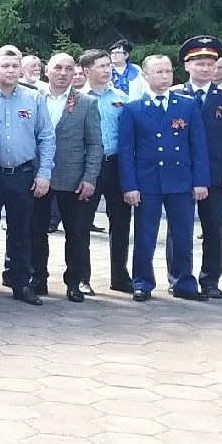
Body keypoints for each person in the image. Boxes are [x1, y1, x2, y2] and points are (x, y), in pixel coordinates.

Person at [117, 55, 209, 301]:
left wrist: (200, 180)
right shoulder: (133, 108)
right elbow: (126, 151)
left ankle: (183, 283)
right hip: (148, 181)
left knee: (182, 234)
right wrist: (130, 185)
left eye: (168, 71)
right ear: (145, 76)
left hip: (180, 179)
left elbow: (198, 145)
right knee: (145, 235)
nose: (165, 76)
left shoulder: (187, 105)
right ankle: (142, 283)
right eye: (158, 72)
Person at [0, 45, 56, 306]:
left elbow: (46, 136)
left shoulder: (33, 98)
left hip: (23, 174)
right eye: (5, 66)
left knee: (22, 232)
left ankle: (21, 283)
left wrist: (44, 173)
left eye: (15, 66)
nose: (11, 71)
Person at [29, 53, 102, 301]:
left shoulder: (86, 103)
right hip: (39, 177)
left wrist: (90, 177)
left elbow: (95, 145)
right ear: (46, 71)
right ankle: (37, 277)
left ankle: (75, 281)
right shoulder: (33, 99)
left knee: (77, 233)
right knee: (36, 230)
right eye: (57, 68)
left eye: (68, 69)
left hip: (73, 178)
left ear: (75, 73)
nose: (62, 73)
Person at [177, 36, 222, 297]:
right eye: (199, 64)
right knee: (179, 229)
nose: (205, 69)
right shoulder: (174, 95)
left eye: (210, 64)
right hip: (181, 173)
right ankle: (179, 276)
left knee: (213, 229)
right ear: (187, 66)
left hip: (216, 175)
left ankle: (210, 280)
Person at [82, 48, 134, 293]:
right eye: (101, 66)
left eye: (107, 65)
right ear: (86, 71)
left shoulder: (121, 98)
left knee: (121, 223)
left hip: (116, 165)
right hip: (88, 167)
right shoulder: (77, 98)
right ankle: (82, 276)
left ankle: (120, 276)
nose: (107, 69)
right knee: (81, 224)